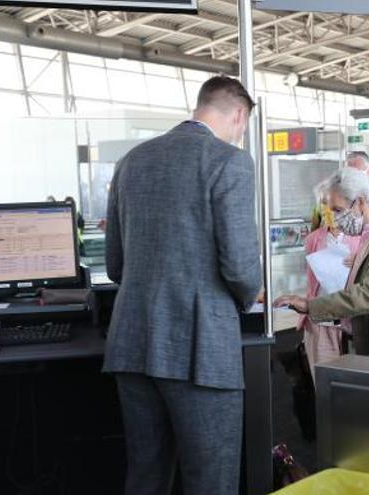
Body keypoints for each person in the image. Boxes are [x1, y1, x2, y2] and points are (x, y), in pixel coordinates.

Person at [104, 75, 261, 495]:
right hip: (201, 348)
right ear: (238, 115)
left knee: (146, 476)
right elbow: (241, 265)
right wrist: (250, 296)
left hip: (132, 343)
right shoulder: (229, 161)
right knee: (211, 479)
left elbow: (115, 265)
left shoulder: (132, 161)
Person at [274, 167, 369, 356]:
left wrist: (310, 306)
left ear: (360, 202)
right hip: (364, 341)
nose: (336, 219)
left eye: (338, 210)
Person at [298, 181, 361, 380]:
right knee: (323, 383)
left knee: (352, 384)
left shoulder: (362, 238)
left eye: (336, 206)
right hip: (321, 320)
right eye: (326, 204)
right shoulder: (313, 239)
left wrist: (360, 263)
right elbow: (312, 280)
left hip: (351, 321)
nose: (331, 211)